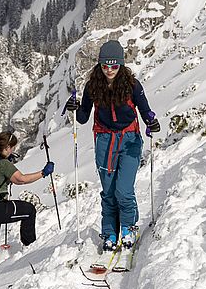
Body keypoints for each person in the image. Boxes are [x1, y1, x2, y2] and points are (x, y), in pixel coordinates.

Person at [64, 40, 160, 251]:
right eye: (105, 66)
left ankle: (128, 226)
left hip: (130, 141)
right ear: (99, 65)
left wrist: (152, 122)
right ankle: (109, 231)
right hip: (104, 141)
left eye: (114, 66)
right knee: (108, 191)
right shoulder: (93, 86)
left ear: (121, 65)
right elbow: (82, 118)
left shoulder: (132, 85)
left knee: (123, 190)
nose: (109, 70)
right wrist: (74, 107)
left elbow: (145, 111)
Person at [0, 131, 53, 277]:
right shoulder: (3, 163)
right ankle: (30, 247)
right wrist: (43, 173)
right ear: (8, 147)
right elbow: (21, 179)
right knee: (29, 210)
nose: (14, 150)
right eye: (13, 148)